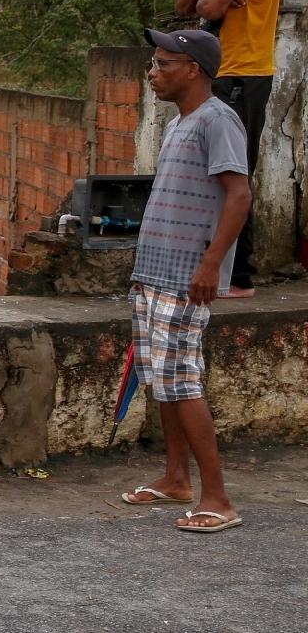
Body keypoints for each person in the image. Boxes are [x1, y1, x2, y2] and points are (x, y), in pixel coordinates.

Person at [119, 30, 250, 534]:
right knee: (163, 381)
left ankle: (218, 498)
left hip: (183, 276)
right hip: (154, 273)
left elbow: (239, 196)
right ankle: (176, 479)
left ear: (193, 68)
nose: (153, 72)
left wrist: (211, 265)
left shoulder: (218, 121)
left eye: (163, 63)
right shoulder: (180, 124)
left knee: (184, 382)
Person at [173, 0, 279, 296]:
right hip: (222, 69)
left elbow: (213, 9)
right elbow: (184, 2)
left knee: (231, 171)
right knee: (207, 170)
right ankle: (219, 269)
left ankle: (239, 276)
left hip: (244, 70)